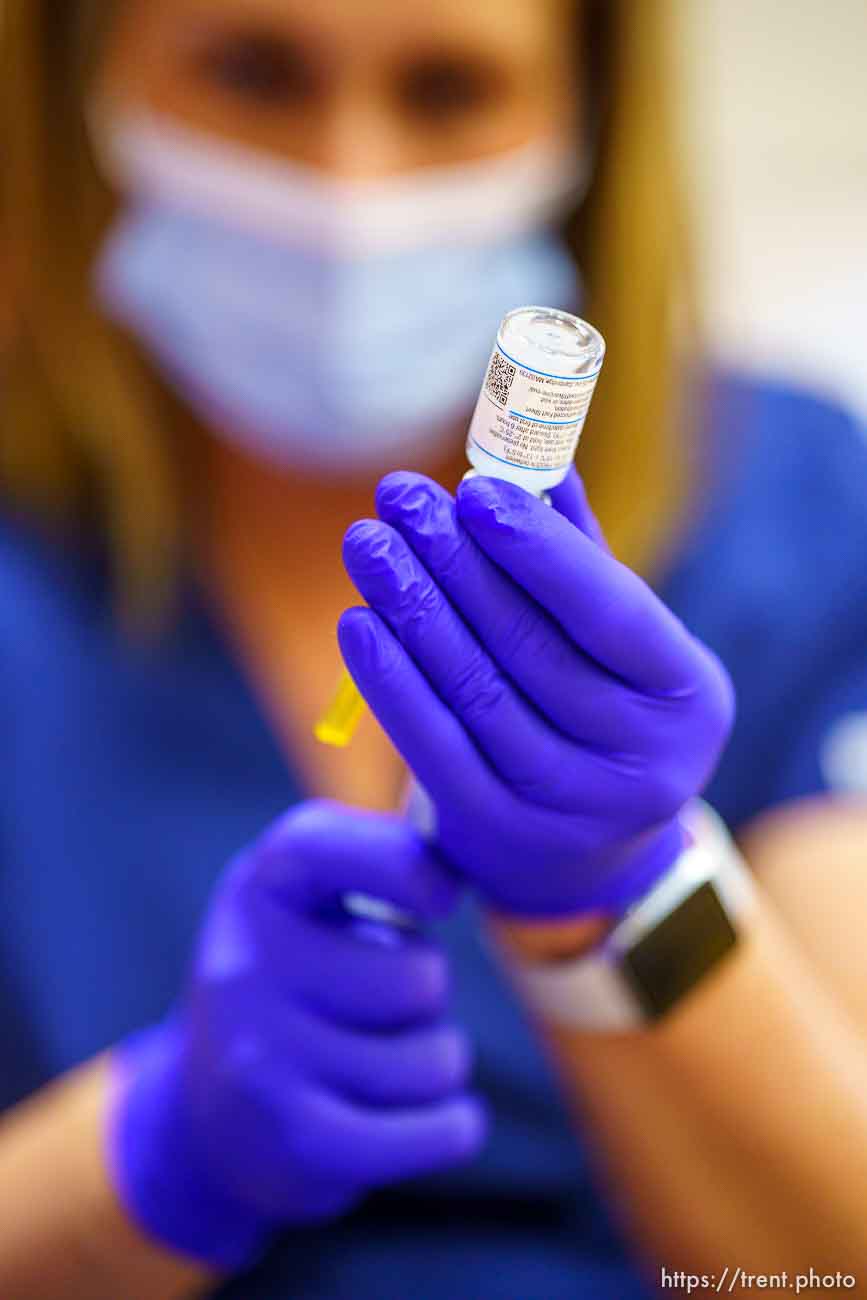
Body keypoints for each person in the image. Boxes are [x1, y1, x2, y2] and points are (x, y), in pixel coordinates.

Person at [1, 1, 867, 1297]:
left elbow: (827, 1266)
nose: (351, 186)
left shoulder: (784, 506)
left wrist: (622, 907)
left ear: (588, 114)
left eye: (451, 89)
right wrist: (149, 1154)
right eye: (253, 68)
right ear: (83, 72)